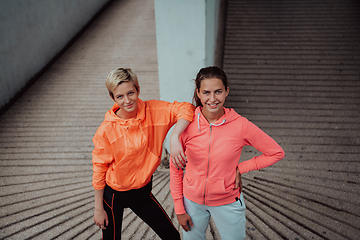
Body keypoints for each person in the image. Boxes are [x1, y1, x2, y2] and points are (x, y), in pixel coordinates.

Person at [170, 66, 285, 240]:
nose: (212, 99)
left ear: (226, 92)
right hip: (192, 202)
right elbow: (175, 169)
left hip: (227, 202)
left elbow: (276, 152)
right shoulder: (187, 124)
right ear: (198, 93)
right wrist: (179, 209)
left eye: (218, 92)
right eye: (206, 93)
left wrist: (241, 167)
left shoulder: (240, 125)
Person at [92, 68, 195, 240]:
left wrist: (175, 136)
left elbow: (186, 108)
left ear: (138, 89)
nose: (127, 100)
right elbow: (99, 169)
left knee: (172, 237)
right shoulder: (106, 130)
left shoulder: (155, 111)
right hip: (114, 195)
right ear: (113, 98)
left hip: (142, 192)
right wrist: (98, 209)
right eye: (120, 96)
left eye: (130, 93)